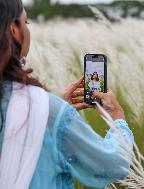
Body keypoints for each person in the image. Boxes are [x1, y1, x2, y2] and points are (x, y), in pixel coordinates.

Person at [0, 0, 134, 189]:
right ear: (14, 30)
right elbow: (113, 163)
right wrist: (116, 118)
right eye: (26, 23)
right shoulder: (47, 110)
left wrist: (55, 112)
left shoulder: (49, 111)